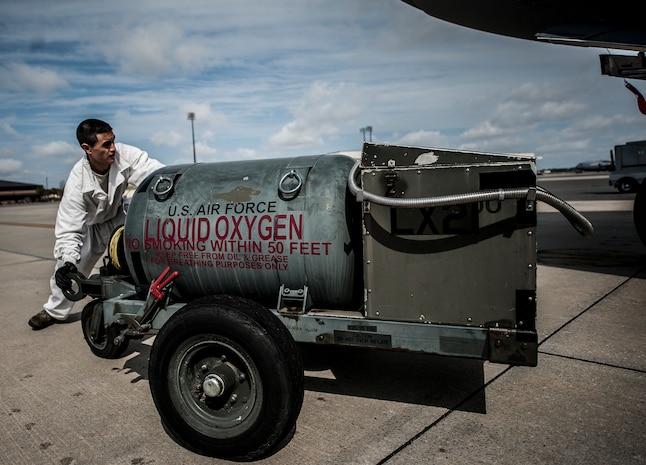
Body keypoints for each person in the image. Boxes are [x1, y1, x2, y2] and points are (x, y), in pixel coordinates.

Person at [28, 119, 165, 330]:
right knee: (72, 269)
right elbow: (69, 230)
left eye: (113, 141)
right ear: (87, 148)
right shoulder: (76, 183)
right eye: (106, 145)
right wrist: (68, 262)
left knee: (139, 259)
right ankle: (53, 311)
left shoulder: (126, 155)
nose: (113, 149)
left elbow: (156, 173)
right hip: (91, 226)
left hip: (119, 217)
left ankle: (146, 302)